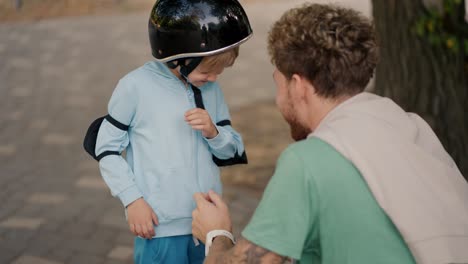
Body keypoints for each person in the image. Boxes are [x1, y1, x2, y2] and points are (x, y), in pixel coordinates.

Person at [191, 3, 468, 264]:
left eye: (278, 84)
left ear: (298, 86)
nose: (277, 99)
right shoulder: (409, 127)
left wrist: (217, 235)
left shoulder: (308, 160)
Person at [87, 0, 252, 263]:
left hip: (207, 224)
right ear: (179, 58)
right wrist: (132, 200)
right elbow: (105, 149)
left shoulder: (212, 90)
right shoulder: (134, 87)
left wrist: (214, 133)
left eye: (220, 72)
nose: (214, 79)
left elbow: (233, 149)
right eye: (208, 71)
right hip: (159, 226)